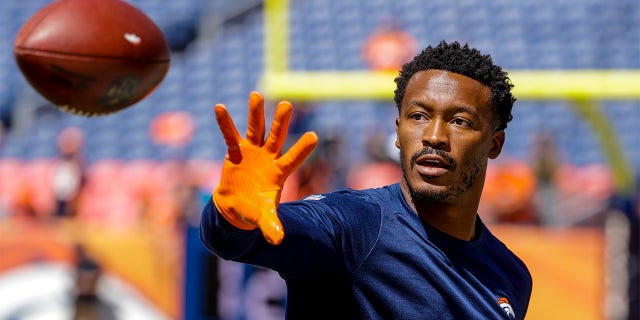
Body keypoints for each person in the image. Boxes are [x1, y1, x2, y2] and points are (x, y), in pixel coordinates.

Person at [200, 40, 532, 319]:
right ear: (398, 132)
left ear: (494, 143)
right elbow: (236, 238)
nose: (434, 136)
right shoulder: (356, 225)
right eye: (418, 116)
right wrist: (229, 218)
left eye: (459, 121)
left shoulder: (511, 276)